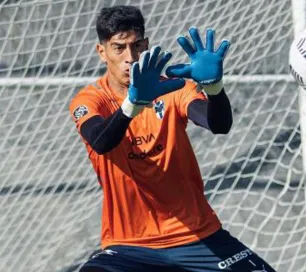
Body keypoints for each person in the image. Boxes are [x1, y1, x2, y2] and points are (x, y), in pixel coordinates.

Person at [69, 5, 276, 272]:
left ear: (146, 45)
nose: (129, 57)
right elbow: (101, 141)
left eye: (136, 46)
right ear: (102, 52)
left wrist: (214, 89)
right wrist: (134, 103)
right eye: (118, 48)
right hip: (128, 247)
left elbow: (218, 124)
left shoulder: (173, 89)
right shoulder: (89, 100)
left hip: (198, 237)